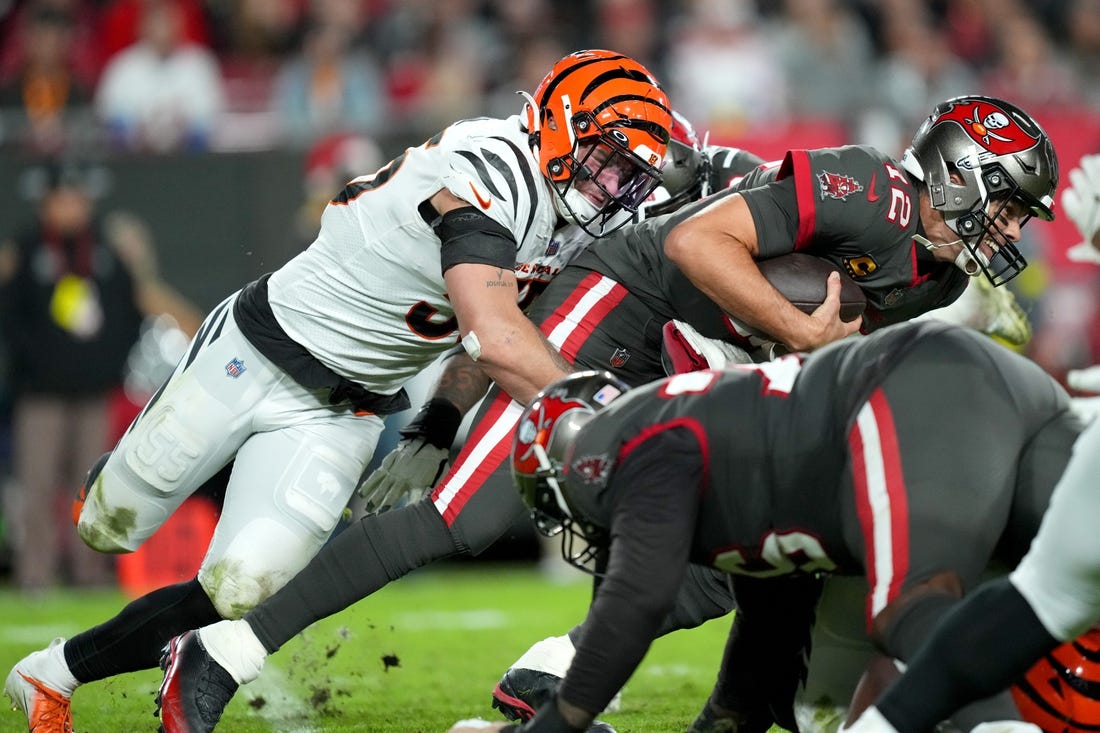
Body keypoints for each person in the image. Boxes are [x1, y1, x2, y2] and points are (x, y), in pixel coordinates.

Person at [152, 95, 1058, 732]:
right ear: (958, 172)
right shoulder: (870, 189)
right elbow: (694, 240)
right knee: (465, 518)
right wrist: (798, 337)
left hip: (706, 355)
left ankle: (557, 668)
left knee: (741, 542)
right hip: (626, 303)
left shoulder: (936, 275)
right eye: (1010, 205)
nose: (1013, 232)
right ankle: (221, 650)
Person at [3, 48, 673, 733]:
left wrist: (439, 420)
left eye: (630, 173)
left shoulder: (578, 220)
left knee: (238, 589)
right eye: (608, 158)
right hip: (259, 351)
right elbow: (497, 335)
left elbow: (481, 334)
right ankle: (115, 472)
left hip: (345, 410)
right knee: (108, 525)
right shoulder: (494, 167)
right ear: (561, 126)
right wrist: (613, 414)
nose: (614, 184)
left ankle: (47, 674)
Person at [456, 316, 1083, 733]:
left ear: (573, 468)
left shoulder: (641, 445)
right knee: (1078, 570)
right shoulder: (728, 473)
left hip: (909, 389)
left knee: (911, 612)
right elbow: (762, 646)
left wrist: (555, 724)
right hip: (982, 382)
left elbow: (636, 601)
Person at [828, 152, 1100, 733]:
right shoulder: (879, 220)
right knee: (934, 600)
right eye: (1007, 210)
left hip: (979, 441)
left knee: (959, 604)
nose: (1011, 230)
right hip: (933, 443)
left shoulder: (950, 279)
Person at [0, 159, 199, 594]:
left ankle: (90, 574)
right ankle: (36, 574)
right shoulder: (27, 250)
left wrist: (108, 364)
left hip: (95, 392)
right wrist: (37, 365)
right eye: (62, 199)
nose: (71, 207)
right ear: (46, 202)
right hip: (41, 393)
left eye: (77, 198)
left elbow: (131, 313)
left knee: (93, 487)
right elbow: (12, 320)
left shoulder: (107, 253)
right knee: (36, 486)